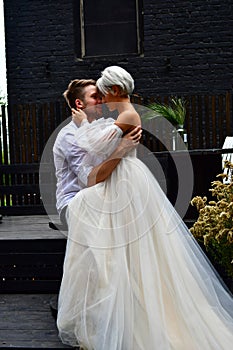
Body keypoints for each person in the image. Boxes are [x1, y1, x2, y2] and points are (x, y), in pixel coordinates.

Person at [57, 66, 233, 350]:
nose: (103, 99)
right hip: (121, 178)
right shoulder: (122, 115)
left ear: (114, 90)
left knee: (129, 245)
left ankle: (135, 315)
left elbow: (90, 143)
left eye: (104, 93)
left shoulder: (127, 114)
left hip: (125, 181)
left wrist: (80, 124)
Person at [53, 79, 141, 227]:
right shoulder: (69, 136)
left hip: (101, 197)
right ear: (79, 104)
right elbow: (89, 179)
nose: (101, 100)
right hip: (73, 203)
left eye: (101, 96)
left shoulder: (99, 129)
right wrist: (121, 148)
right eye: (95, 97)